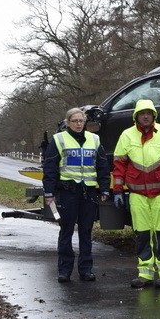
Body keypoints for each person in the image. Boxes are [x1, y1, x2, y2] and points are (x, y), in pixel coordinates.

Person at [113, 99, 160, 288]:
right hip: (137, 195)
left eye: (149, 113)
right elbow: (119, 165)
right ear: (136, 116)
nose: (145, 116)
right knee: (142, 234)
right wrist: (118, 190)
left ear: (154, 115)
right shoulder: (126, 135)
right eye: (142, 113)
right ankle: (145, 274)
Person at [42, 107, 111, 282]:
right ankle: (64, 270)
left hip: (88, 193)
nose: (79, 124)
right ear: (67, 122)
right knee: (66, 232)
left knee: (86, 232)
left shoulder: (94, 139)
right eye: (75, 121)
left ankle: (86, 270)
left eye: (81, 121)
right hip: (68, 192)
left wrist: (104, 188)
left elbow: (102, 166)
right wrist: (49, 192)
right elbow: (50, 168)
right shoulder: (59, 140)